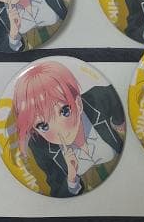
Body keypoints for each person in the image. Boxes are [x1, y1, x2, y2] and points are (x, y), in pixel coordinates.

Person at [13, 61, 125, 197]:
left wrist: (119, 123)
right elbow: (56, 190)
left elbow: (117, 102)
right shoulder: (39, 147)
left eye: (65, 111)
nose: (60, 129)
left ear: (78, 104)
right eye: (43, 126)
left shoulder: (99, 98)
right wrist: (72, 179)